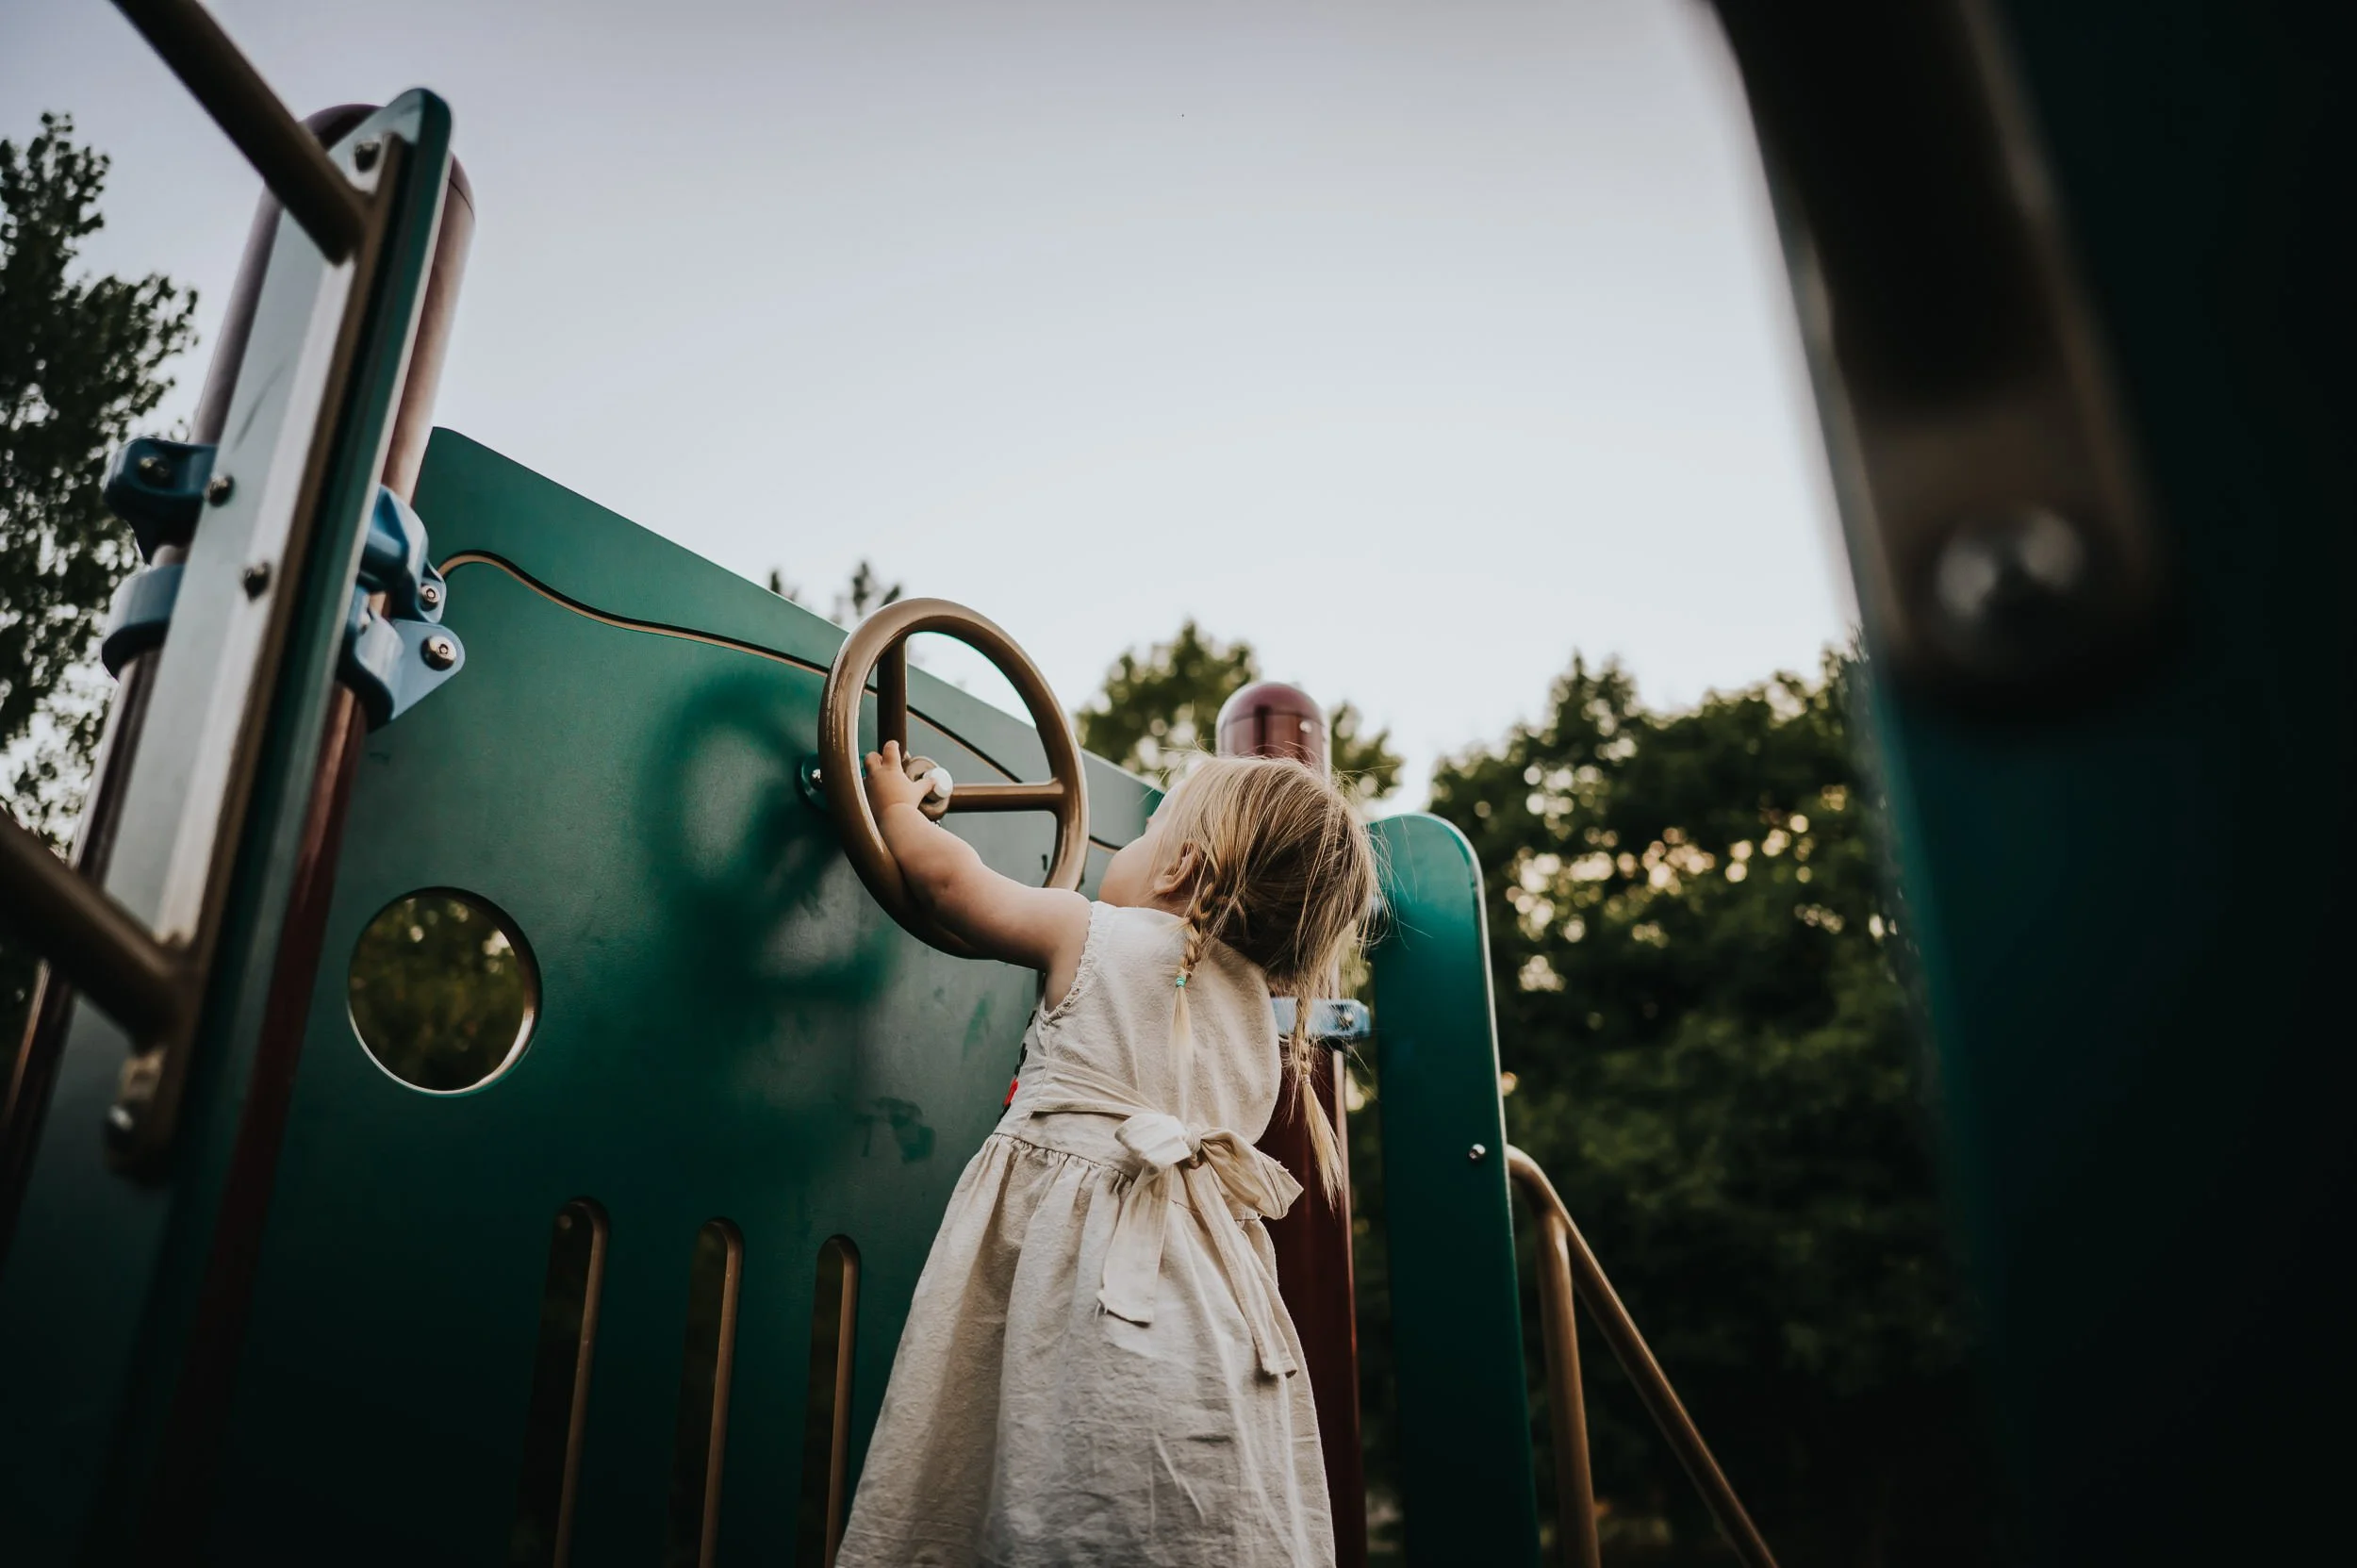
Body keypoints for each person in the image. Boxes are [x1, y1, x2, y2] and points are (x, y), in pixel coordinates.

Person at [834, 741, 1378, 1568]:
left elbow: (950, 888)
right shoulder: (1260, 1032)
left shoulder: (1095, 931)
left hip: (1082, 1274)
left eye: (1147, 829)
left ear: (1178, 868)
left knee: (1042, 1455)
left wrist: (898, 811)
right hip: (1208, 1306)